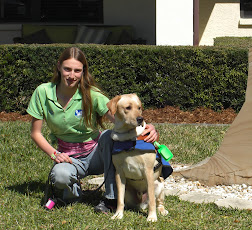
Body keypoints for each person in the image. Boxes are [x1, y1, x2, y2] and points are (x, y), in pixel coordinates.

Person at [27, 47, 158, 212]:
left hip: (96, 152)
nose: (71, 75)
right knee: (60, 176)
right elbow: (35, 133)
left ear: (83, 72)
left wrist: (146, 127)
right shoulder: (43, 92)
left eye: (77, 70)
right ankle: (74, 194)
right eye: (67, 69)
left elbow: (119, 118)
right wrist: (55, 154)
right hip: (68, 157)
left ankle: (111, 199)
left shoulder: (91, 94)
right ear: (59, 66)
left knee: (110, 136)